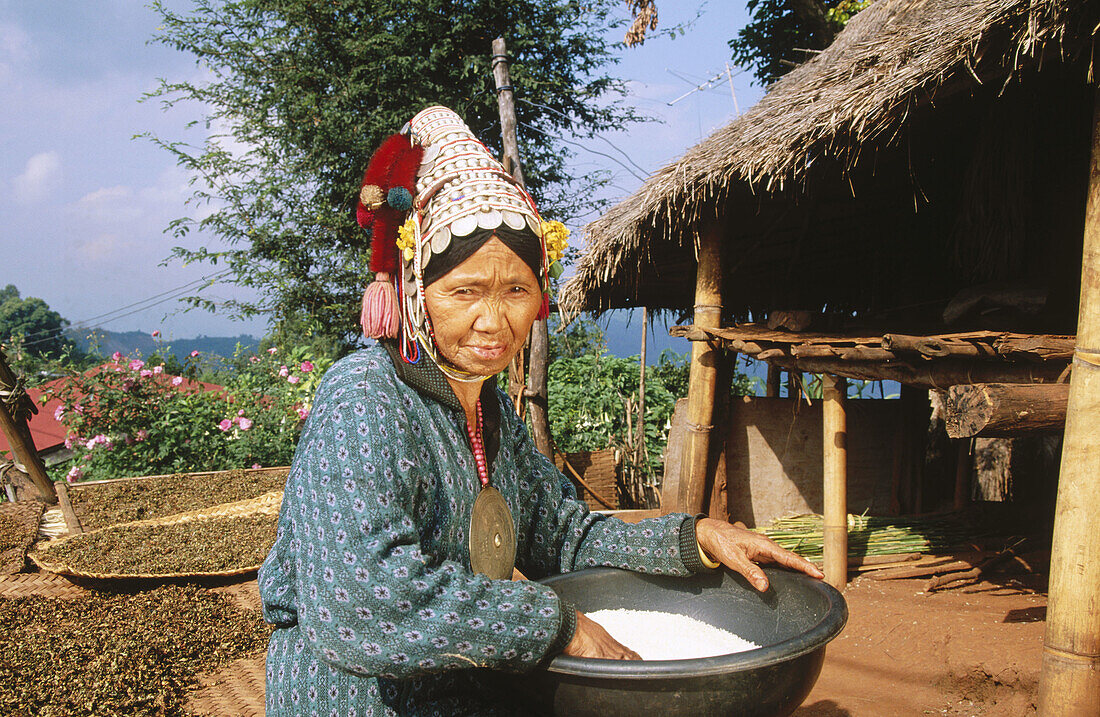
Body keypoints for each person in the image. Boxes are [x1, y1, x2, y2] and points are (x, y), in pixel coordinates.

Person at [259, 106, 823, 716]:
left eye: (517, 292)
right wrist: (554, 623)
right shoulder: (365, 398)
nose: (493, 322)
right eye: (464, 291)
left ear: (541, 298)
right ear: (415, 290)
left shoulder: (488, 408)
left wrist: (694, 538)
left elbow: (563, 535)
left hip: (462, 691)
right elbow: (362, 606)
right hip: (358, 700)